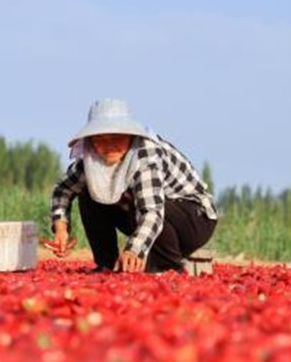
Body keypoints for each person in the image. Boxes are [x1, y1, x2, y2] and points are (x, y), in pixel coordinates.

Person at [45, 98, 217, 273]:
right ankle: (106, 264)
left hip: (192, 218)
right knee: (89, 193)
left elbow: (152, 211)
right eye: (100, 139)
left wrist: (133, 249)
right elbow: (63, 190)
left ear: (129, 135)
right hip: (147, 218)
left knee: (142, 204)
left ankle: (168, 267)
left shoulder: (146, 154)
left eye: (116, 138)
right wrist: (61, 228)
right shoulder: (91, 159)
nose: (109, 146)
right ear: (91, 141)